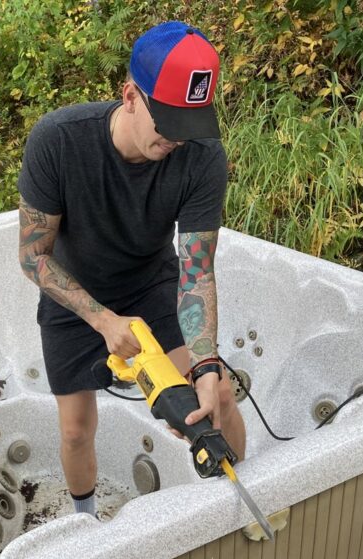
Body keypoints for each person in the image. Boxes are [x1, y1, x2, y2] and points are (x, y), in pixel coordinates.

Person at [17, 20, 246, 518]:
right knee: (75, 430)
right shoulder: (58, 140)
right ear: (130, 97)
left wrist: (205, 365)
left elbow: (197, 272)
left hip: (150, 282)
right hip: (74, 293)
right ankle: (85, 522)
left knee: (220, 395)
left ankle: (239, 502)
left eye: (190, 125)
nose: (178, 140)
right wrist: (103, 320)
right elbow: (33, 257)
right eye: (168, 124)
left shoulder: (202, 157)